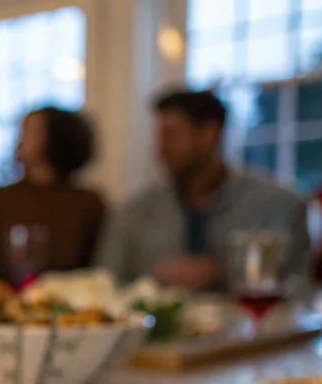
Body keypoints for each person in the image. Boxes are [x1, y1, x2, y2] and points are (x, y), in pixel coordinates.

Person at [99, 90, 309, 291]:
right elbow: (106, 282)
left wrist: (222, 272)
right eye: (159, 137)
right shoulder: (134, 211)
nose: (160, 149)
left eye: (171, 135)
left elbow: (299, 289)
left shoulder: (278, 205)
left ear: (209, 134)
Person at [0, 107, 104, 284]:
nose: (19, 140)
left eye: (28, 131)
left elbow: (97, 264)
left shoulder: (89, 203)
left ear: (53, 136)